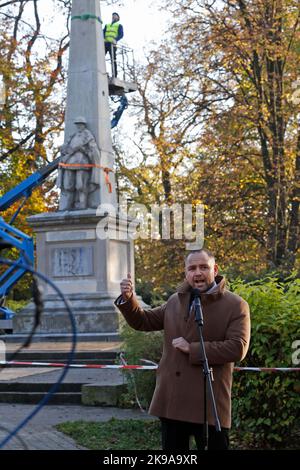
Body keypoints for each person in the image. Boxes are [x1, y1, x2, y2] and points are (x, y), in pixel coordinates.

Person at [115, 249, 251, 451]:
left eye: (203, 267)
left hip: (209, 404)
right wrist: (128, 299)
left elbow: (238, 347)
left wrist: (193, 348)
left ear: (214, 269)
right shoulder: (175, 300)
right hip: (172, 401)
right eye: (192, 268)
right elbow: (144, 321)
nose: (197, 273)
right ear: (186, 273)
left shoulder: (235, 305)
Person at [57, 116, 101, 210]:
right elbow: (65, 148)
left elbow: (93, 150)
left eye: (80, 124)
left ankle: (82, 204)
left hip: (82, 163)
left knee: (81, 185)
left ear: (84, 125)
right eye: (77, 124)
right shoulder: (73, 135)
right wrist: (66, 150)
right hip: (69, 163)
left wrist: (84, 150)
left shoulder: (87, 136)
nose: (79, 126)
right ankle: (68, 205)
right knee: (68, 185)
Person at [103, 12, 124, 77]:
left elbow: (121, 35)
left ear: (118, 18)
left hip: (112, 44)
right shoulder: (107, 25)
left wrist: (115, 40)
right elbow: (102, 33)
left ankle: (114, 75)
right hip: (105, 44)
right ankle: (102, 73)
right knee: (101, 58)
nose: (113, 16)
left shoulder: (119, 25)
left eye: (115, 16)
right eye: (113, 15)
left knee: (113, 59)